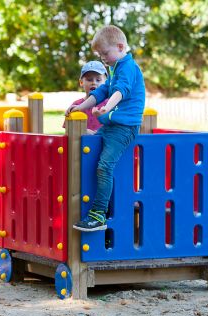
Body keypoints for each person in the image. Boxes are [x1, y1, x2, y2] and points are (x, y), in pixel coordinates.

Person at [66, 25, 145, 232]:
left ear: (120, 47)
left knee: (104, 166)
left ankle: (98, 213)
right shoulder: (115, 68)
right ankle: (98, 207)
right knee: (91, 155)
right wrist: (80, 107)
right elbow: (103, 90)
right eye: (100, 55)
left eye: (105, 53)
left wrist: (106, 109)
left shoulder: (128, 67)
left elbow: (120, 91)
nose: (103, 58)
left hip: (124, 127)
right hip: (112, 124)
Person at [63, 61, 108, 134]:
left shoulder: (109, 104)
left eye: (98, 80)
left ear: (106, 82)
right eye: (89, 79)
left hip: (104, 143)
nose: (94, 82)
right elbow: (68, 131)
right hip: (81, 144)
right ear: (81, 82)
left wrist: (96, 134)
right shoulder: (77, 105)